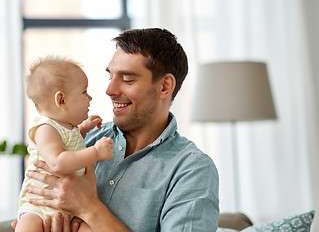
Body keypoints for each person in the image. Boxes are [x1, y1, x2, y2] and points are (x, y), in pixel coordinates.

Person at [17, 28, 219, 232]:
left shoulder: (191, 169)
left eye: (127, 79)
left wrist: (90, 208)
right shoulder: (81, 138)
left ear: (165, 86)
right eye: (110, 77)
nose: (109, 91)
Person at [15, 56, 114, 232]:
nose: (90, 98)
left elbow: (70, 142)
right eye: (84, 92)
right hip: (38, 208)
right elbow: (58, 162)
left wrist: (84, 128)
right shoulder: (45, 129)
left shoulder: (67, 128)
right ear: (61, 100)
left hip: (70, 207)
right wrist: (96, 152)